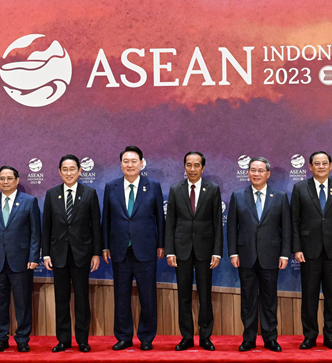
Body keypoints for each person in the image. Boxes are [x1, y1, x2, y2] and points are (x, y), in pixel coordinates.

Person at [101, 146, 165, 351]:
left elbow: (160, 219)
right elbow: (106, 219)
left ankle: (146, 337)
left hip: (146, 249)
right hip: (120, 249)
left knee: (147, 295)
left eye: (134, 161)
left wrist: (161, 244)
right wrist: (104, 246)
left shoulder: (153, 186)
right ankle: (123, 336)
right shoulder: (111, 187)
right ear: (120, 165)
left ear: (142, 163)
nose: (130, 165)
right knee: (121, 296)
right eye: (126, 161)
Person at [227, 157, 290, 352]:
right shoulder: (238, 196)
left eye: (260, 170)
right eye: (252, 170)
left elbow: (286, 228)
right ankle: (249, 338)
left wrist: (284, 254)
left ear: (268, 174)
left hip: (271, 256)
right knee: (248, 299)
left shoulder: (279, 196)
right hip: (245, 256)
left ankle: (271, 338)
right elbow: (231, 228)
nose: (256, 173)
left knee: (269, 299)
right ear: (248, 173)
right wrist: (233, 253)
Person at [291, 151, 332, 350]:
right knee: (309, 296)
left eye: (325, 163)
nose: (321, 166)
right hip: (309, 251)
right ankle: (309, 336)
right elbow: (294, 221)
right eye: (317, 163)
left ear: (331, 166)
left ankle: (330, 337)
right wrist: (296, 248)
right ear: (310, 167)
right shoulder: (300, 188)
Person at [42, 155, 101, 353]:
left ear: (79, 171)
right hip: (58, 255)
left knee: (82, 298)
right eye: (64, 169)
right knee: (61, 298)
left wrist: (96, 253)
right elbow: (46, 227)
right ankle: (63, 340)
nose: (68, 173)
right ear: (59, 172)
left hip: (82, 254)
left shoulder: (89, 193)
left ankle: (83, 340)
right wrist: (46, 254)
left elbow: (96, 227)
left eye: (72, 169)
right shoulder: (51, 194)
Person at [0, 166, 41, 353]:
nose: (5, 182)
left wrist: (33, 256)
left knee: (22, 302)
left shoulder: (29, 201)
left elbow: (35, 232)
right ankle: (1, 338)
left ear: (17, 180)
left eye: (9, 178)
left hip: (21, 261)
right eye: (2, 179)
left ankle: (22, 338)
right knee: (0, 303)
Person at [165, 151, 223, 351]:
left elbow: (217, 222)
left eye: (196, 165)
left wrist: (217, 252)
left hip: (205, 251)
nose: (192, 169)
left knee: (205, 295)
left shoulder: (213, 189)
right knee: (184, 296)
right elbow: (170, 222)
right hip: (181, 251)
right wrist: (170, 251)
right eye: (188, 165)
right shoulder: (175, 189)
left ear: (203, 168)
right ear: (184, 167)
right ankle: (187, 337)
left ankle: (205, 337)